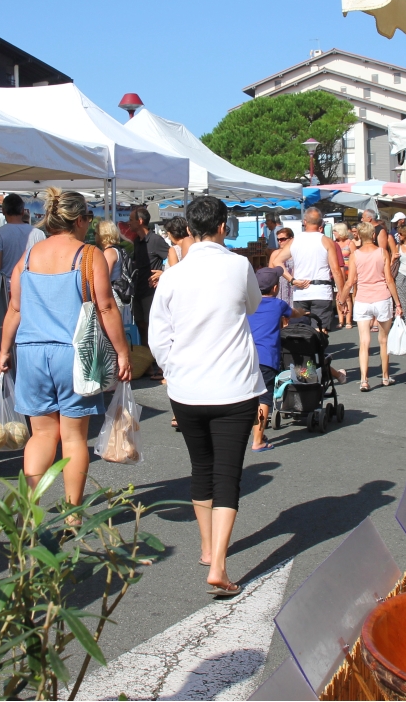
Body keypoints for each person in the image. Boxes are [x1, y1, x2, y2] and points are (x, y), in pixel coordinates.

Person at [149, 195, 265, 597]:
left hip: (187, 387)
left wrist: (174, 368)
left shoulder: (173, 275)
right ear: (222, 227)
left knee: (201, 467)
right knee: (228, 473)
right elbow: (252, 305)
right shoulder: (238, 265)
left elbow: (158, 335)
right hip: (234, 384)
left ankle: (205, 548)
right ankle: (218, 563)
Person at [0, 188, 131, 519]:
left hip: (30, 352)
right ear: (80, 220)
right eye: (88, 219)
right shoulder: (88, 255)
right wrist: (122, 353)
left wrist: (3, 352)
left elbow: (14, 309)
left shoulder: (28, 257)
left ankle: (31, 507)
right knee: (73, 438)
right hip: (73, 353)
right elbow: (107, 306)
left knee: (41, 434)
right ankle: (73, 511)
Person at [247, 267, 306, 452]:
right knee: (264, 398)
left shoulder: (247, 304)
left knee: (250, 396)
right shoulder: (278, 304)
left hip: (245, 356)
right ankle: (257, 440)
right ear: (275, 288)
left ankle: (256, 432)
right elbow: (293, 314)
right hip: (266, 357)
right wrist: (303, 312)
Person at [344, 221, 404, 391]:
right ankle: (385, 377)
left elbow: (351, 281)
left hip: (363, 299)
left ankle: (364, 380)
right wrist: (397, 302)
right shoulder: (382, 252)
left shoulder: (355, 255)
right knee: (383, 340)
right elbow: (389, 280)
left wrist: (341, 299)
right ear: (372, 235)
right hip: (382, 297)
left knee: (364, 342)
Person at [270, 207, 346, 334]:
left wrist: (292, 280)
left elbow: (276, 261)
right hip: (321, 290)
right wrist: (342, 295)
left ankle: (307, 353)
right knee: (321, 329)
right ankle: (319, 353)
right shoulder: (327, 241)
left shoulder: (295, 241)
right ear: (321, 223)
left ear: (305, 222)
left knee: (302, 330)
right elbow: (336, 270)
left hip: (301, 291)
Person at [128, 206, 171, 368]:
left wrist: (163, 273)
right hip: (137, 290)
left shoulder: (156, 240)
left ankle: (156, 361)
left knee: (151, 326)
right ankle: (146, 361)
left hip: (150, 292)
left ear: (140, 221)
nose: (129, 223)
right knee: (140, 324)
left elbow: (173, 256)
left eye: (131, 220)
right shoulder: (137, 241)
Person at [0, 194, 34, 279]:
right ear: (22, 211)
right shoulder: (37, 233)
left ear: (3, 211)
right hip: (30, 285)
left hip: (6, 285)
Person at [332, 223, 355, 329]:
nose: (333, 233)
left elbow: (355, 259)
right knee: (338, 297)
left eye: (335, 231)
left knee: (348, 297)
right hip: (337, 273)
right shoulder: (333, 244)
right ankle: (341, 320)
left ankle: (348, 320)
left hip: (348, 273)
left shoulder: (350, 243)